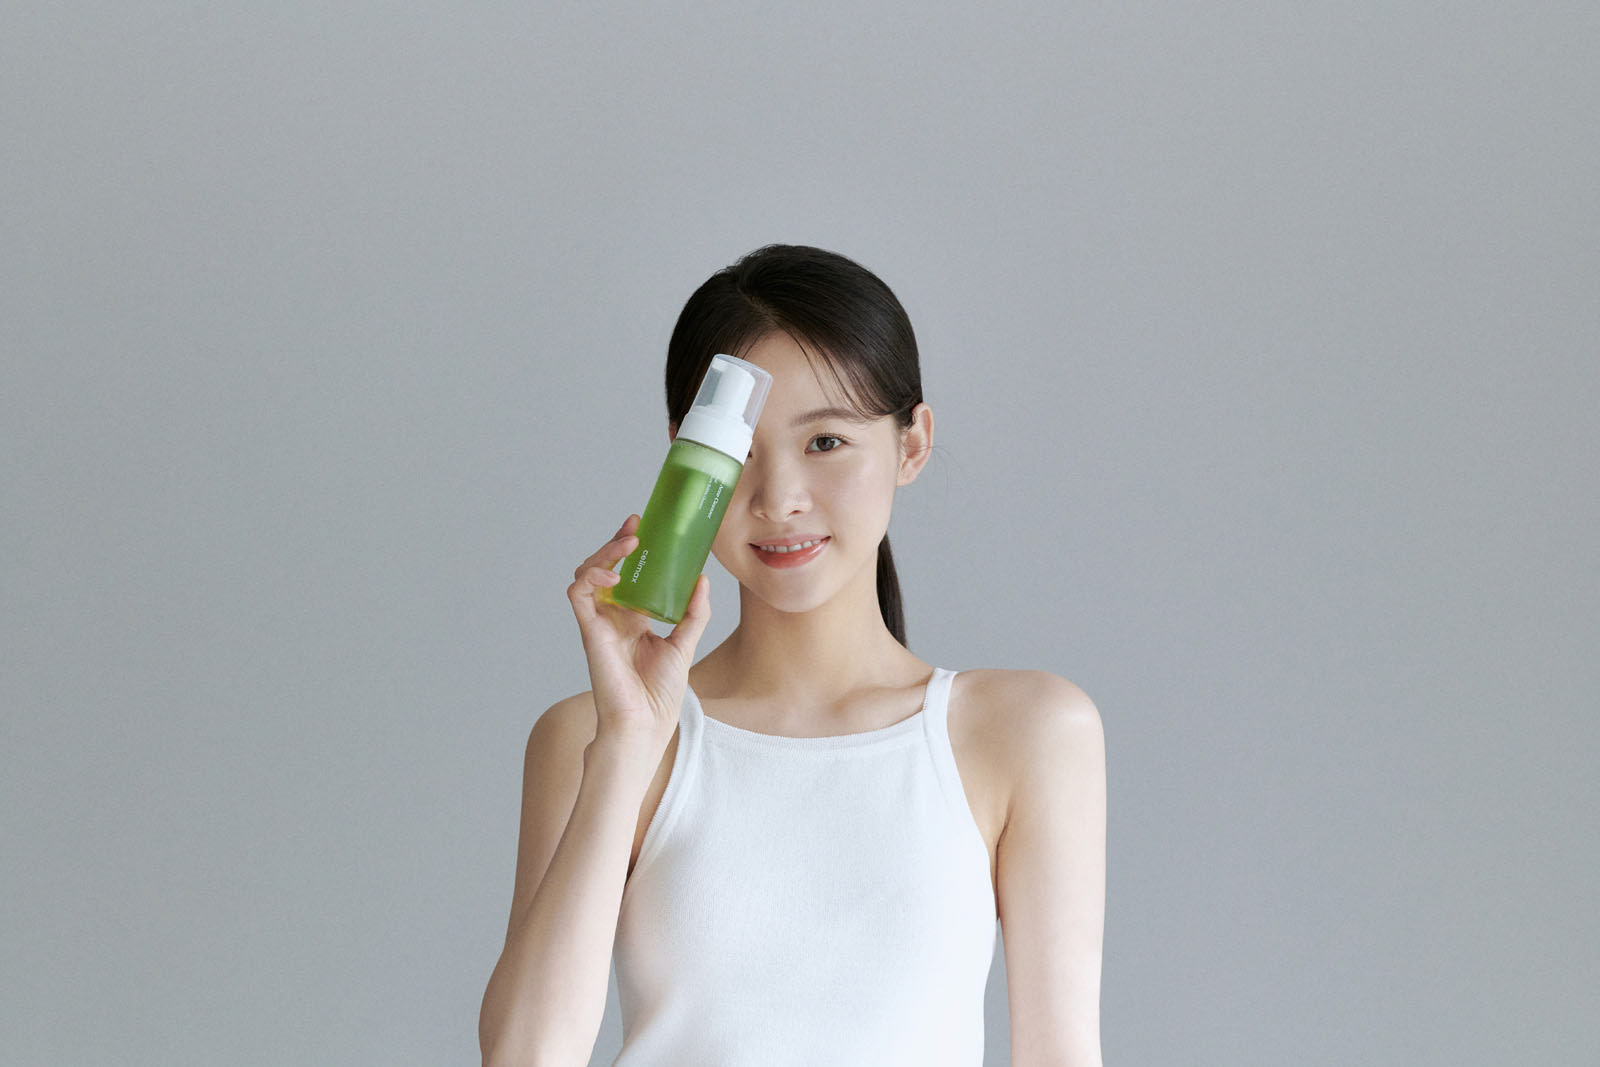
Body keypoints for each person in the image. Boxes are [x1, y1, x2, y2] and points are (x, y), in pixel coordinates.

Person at [479, 244, 1106, 1066]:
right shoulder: (591, 738)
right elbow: (523, 1057)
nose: (778, 499)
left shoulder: (1026, 732)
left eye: (826, 442)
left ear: (912, 444)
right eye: (737, 452)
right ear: (685, 461)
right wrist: (626, 742)